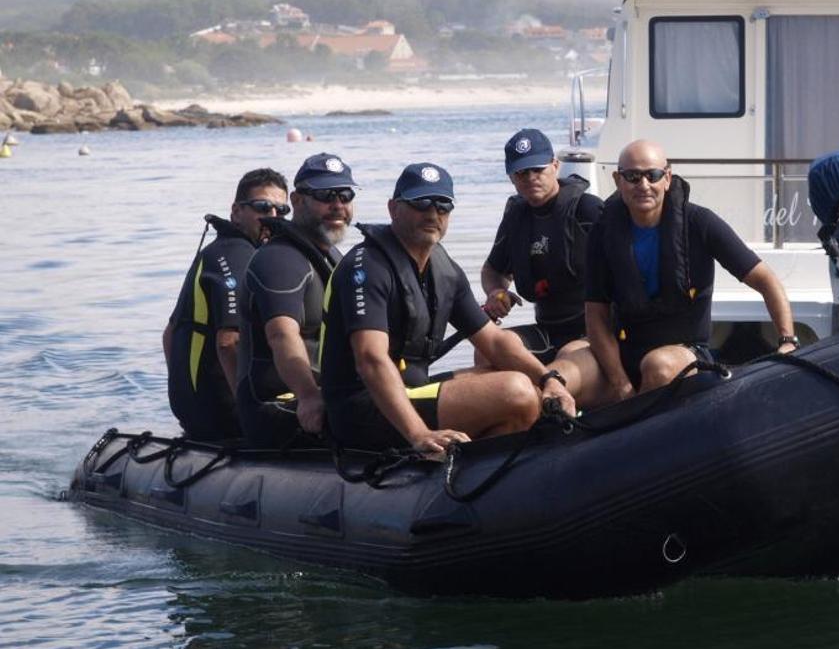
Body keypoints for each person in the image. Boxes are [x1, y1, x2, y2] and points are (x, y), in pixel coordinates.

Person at [320, 162, 576, 459]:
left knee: (523, 379)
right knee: (515, 391)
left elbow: (493, 341)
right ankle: (457, 467)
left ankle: (480, 469)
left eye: (443, 205)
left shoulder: (443, 269)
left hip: (413, 389)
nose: (433, 213)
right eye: (421, 203)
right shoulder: (366, 268)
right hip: (362, 406)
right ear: (393, 209)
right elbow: (370, 359)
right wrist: (419, 434)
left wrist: (549, 379)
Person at [584, 139, 798, 400]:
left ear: (667, 178)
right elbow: (596, 314)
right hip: (625, 352)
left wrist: (788, 340)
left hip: (685, 353)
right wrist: (620, 383)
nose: (643, 185)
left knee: (658, 366)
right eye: (632, 176)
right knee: (567, 370)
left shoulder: (700, 223)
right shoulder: (604, 230)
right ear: (618, 180)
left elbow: (766, 281)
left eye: (652, 175)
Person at [236, 153, 357, 449]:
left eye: (345, 195)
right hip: (278, 406)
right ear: (298, 200)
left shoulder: (332, 257)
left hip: (328, 393)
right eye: (326, 195)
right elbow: (281, 334)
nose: (337, 205)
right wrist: (308, 395)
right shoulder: (279, 259)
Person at [478, 129, 607, 399]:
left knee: (565, 359)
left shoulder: (587, 210)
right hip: (547, 329)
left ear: (555, 166)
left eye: (537, 169)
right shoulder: (516, 217)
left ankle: (554, 411)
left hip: (590, 331)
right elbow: (493, 270)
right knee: (487, 348)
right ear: (512, 177)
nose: (530, 179)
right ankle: (507, 420)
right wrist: (496, 292)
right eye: (521, 173)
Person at [163, 168, 289, 440]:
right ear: (236, 212)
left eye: (282, 210)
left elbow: (170, 335)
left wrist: (186, 396)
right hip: (224, 414)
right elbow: (228, 342)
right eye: (263, 207)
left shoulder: (217, 251)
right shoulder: (237, 256)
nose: (273, 217)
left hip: (195, 412)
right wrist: (250, 414)